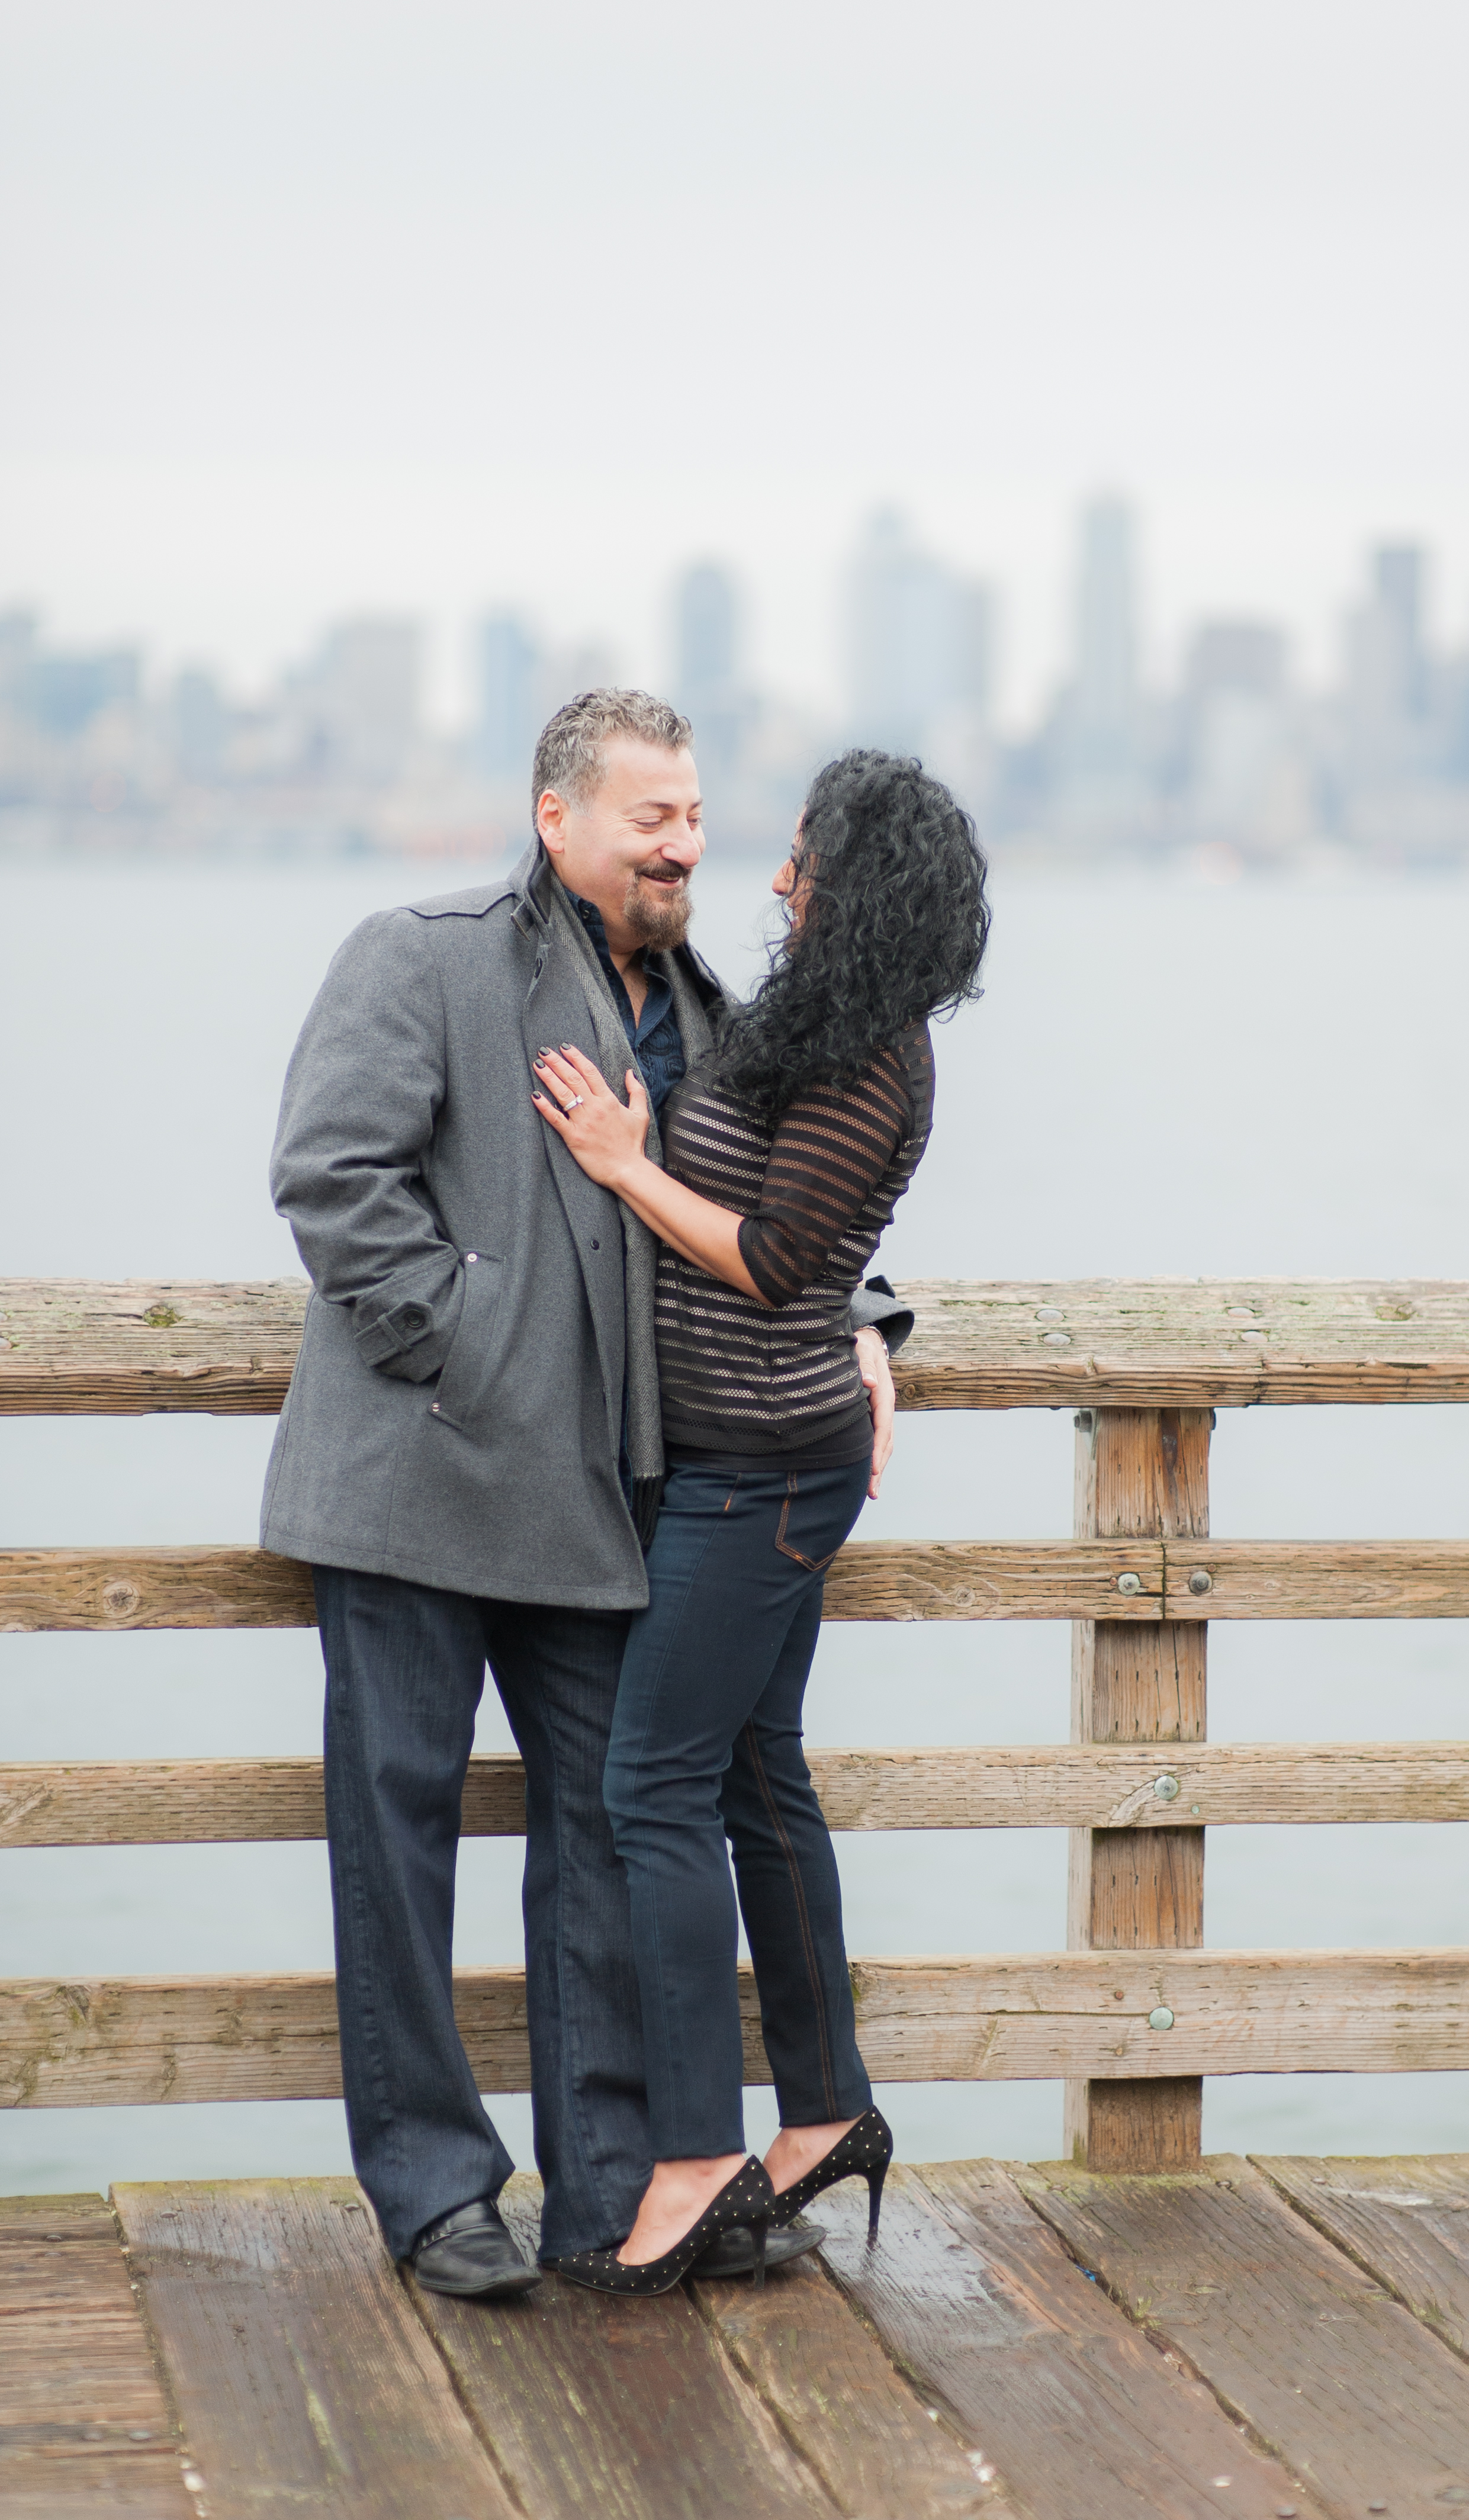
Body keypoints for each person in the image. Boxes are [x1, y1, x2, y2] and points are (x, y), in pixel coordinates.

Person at [262, 691, 907, 2298]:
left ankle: (615, 2195)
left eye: (695, 816)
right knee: (397, 1842)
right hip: (414, 1480)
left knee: (611, 1840)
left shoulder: (711, 1008)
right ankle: (433, 2193)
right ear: (559, 818)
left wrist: (875, 1327)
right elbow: (332, 1177)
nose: (685, 845)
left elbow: (787, 1209)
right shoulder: (422, 952)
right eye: (652, 819)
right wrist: (472, 1346)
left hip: (600, 1506)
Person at [525, 749, 990, 2295]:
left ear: (862, 881)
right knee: (756, 1781)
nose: (776, 876)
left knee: (646, 1785)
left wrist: (617, 1162)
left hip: (760, 1480)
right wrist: (876, 1323)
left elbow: (781, 1258)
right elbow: (826, 1254)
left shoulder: (879, 1057)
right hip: (754, 1462)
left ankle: (691, 2160)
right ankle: (827, 2111)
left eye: (803, 856)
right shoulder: (811, 1023)